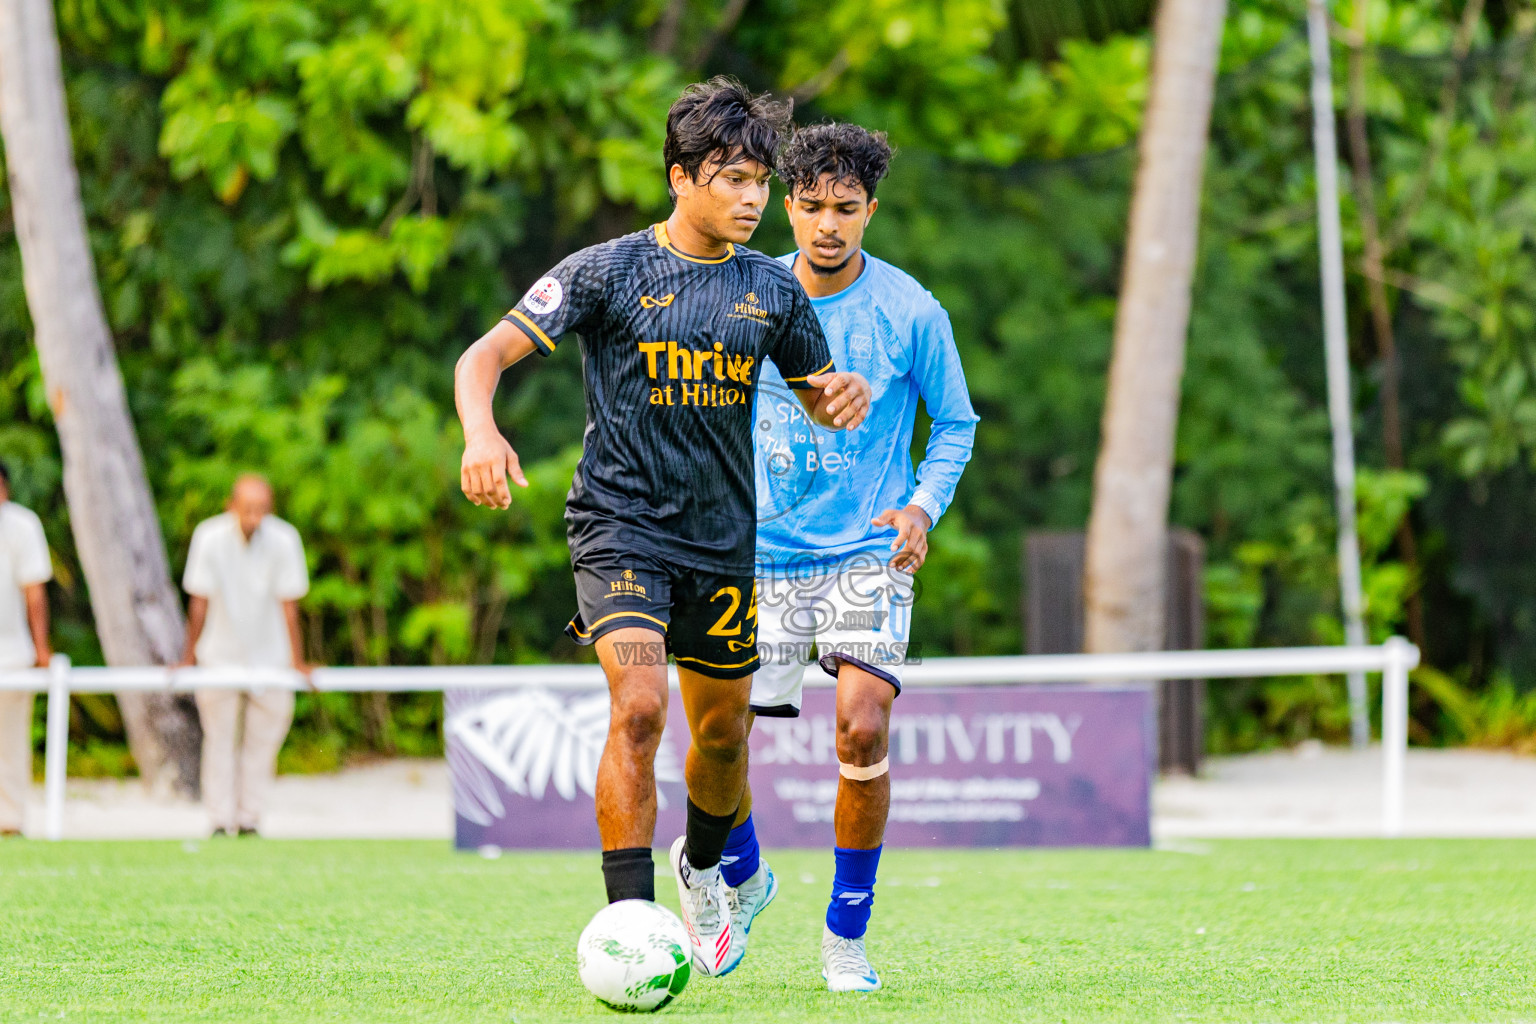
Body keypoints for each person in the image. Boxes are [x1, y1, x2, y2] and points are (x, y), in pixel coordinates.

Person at [455, 78, 872, 976]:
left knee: (722, 738)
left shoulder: (775, 291)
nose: (755, 199)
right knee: (640, 708)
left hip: (722, 546)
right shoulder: (604, 272)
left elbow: (822, 402)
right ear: (681, 178)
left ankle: (707, 867)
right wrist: (481, 433)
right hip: (619, 530)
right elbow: (481, 356)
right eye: (733, 178)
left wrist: (843, 397)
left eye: (761, 182)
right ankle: (632, 929)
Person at [724, 123, 978, 991]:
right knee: (723, 739)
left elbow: (956, 425)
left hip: (867, 553)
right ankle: (745, 875)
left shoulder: (912, 309)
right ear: (786, 208)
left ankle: (845, 936)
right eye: (810, 206)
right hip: (756, 554)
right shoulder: (744, 297)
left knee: (863, 723)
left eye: (846, 208)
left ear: (871, 210)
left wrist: (920, 505)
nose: (827, 224)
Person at [179, 474, 310, 837]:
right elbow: (198, 603)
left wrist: (297, 662)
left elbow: (290, 607)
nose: (254, 517)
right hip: (218, 656)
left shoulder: (284, 539)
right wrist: (188, 657)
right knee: (219, 740)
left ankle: (250, 818)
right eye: (248, 509)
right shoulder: (209, 536)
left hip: (271, 658)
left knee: (263, 742)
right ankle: (220, 819)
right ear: (231, 506)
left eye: (261, 510)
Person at [0, 460, 53, 837]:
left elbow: (34, 592)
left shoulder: (22, 525)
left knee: (12, 742)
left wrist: (41, 650)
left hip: (11, 654)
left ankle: (11, 819)